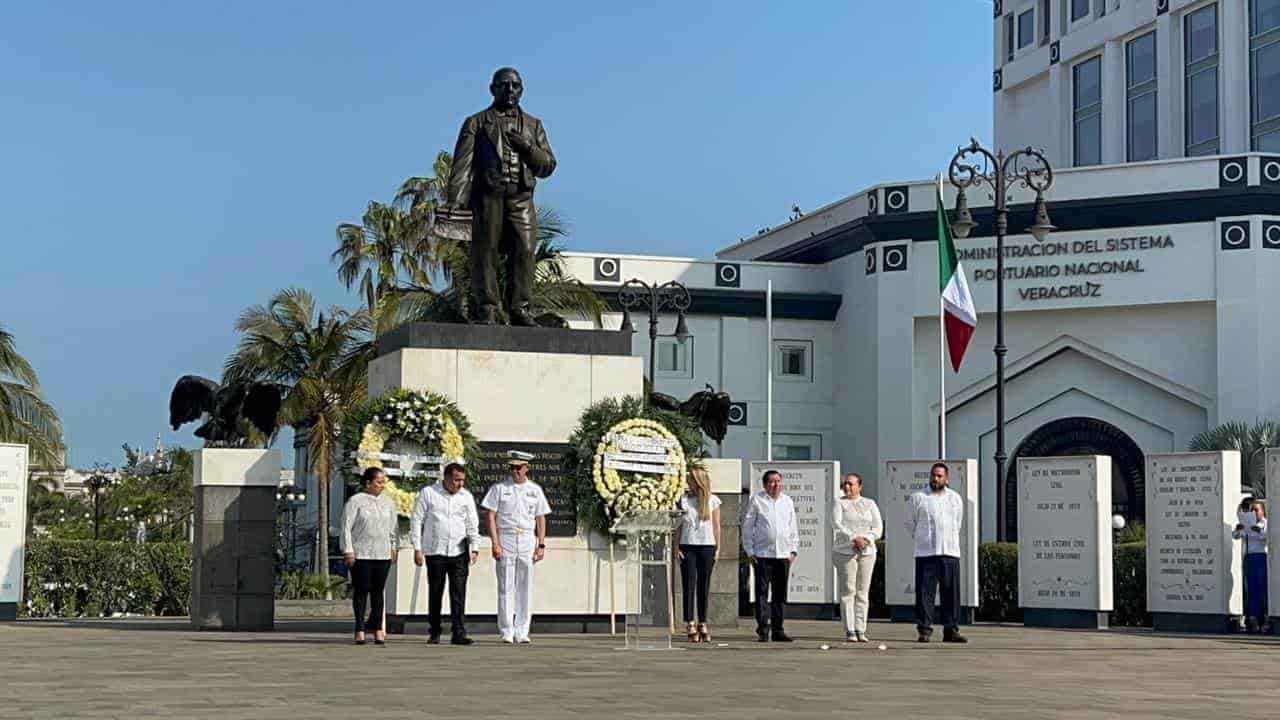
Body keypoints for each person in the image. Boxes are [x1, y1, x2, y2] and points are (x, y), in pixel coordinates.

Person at [444, 67, 557, 325]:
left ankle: (520, 308)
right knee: (485, 252)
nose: (510, 90)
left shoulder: (533, 125)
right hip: (487, 198)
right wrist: (455, 200)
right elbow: (462, 164)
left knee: (526, 250)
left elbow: (548, 166)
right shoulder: (476, 122)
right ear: (492, 89)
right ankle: (488, 307)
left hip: (520, 199)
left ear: (522, 90)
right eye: (504, 85)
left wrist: (527, 147)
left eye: (515, 86)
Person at [481, 451, 551, 644]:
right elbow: (490, 516)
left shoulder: (534, 490)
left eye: (518, 468)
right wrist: (495, 542)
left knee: (525, 587)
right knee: (505, 587)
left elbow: (540, 518)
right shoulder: (499, 488)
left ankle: (522, 630)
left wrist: (541, 544)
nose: (515, 471)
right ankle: (506, 630)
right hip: (507, 538)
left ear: (527, 468)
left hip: (527, 539)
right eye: (512, 468)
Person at [411, 462, 481, 645]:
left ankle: (458, 632)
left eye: (462, 480)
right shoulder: (429, 493)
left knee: (458, 593)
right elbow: (417, 520)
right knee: (436, 592)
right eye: (457, 480)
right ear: (447, 477)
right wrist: (417, 548)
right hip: (436, 551)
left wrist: (475, 547)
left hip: (459, 551)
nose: (460, 484)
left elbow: (472, 523)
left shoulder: (466, 496)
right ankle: (434, 630)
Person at [907, 462, 967, 644]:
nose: (936, 479)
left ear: (947, 478)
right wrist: (923, 539)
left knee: (951, 593)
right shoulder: (918, 498)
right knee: (926, 593)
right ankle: (924, 630)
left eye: (940, 476)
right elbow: (910, 523)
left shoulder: (955, 498)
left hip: (949, 552)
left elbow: (958, 523)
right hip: (927, 553)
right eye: (933, 475)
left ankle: (951, 629)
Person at [341, 467, 398, 646]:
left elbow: (393, 527)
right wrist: (348, 550)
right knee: (361, 590)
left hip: (382, 552)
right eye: (378, 482)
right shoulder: (355, 501)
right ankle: (359, 628)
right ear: (368, 483)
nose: (382, 485)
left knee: (378, 591)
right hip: (361, 553)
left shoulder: (388, 502)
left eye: (383, 482)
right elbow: (346, 527)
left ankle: (378, 628)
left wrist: (394, 546)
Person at [742, 469, 799, 642]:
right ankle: (763, 628)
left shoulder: (787, 501)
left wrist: (793, 550)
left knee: (780, 594)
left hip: (783, 554)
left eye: (778, 481)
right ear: (765, 484)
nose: (776, 485)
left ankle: (778, 629)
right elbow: (748, 527)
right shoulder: (757, 500)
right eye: (772, 482)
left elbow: (792, 527)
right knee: (761, 593)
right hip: (762, 554)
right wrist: (750, 551)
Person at [832, 472, 883, 643]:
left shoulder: (869, 503)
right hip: (845, 551)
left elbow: (878, 527)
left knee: (862, 591)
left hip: (867, 551)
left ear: (859, 486)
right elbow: (837, 524)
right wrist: (854, 538)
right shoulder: (839, 503)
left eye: (851, 484)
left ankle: (861, 628)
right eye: (845, 484)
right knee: (848, 590)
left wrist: (866, 539)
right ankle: (850, 629)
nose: (847, 487)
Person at [675, 467, 721, 643]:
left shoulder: (713, 501)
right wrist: (676, 546)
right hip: (688, 546)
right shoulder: (683, 500)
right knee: (689, 585)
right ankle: (690, 623)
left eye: (692, 479)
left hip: (707, 546)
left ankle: (703, 622)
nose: (689, 482)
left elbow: (717, 526)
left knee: (704, 585)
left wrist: (718, 548)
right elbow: (678, 525)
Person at [1233, 498, 1268, 633]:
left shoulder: (1265, 524)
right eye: (1251, 510)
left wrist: (1258, 531)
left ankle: (1265, 617)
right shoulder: (1246, 524)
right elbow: (1236, 536)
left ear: (1262, 511)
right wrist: (1239, 529)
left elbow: (1266, 537)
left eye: (1256, 510)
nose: (1254, 513)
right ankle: (1253, 618)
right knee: (1251, 588)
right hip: (1249, 557)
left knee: (1263, 588)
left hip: (1262, 556)